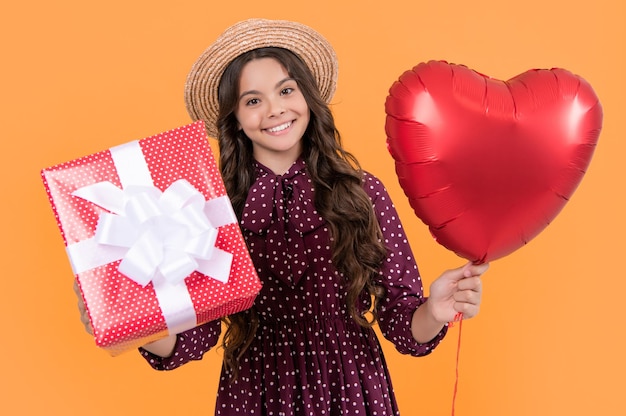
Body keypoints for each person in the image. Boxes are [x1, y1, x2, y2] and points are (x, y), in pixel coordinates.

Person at [77, 18, 488, 415]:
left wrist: (434, 310)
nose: (274, 110)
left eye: (286, 90)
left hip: (350, 385)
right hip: (255, 391)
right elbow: (193, 337)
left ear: (307, 96)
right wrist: (131, 320)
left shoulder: (362, 192)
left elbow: (403, 326)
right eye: (253, 100)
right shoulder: (208, 210)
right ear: (234, 119)